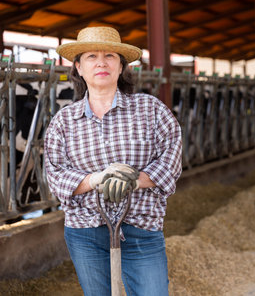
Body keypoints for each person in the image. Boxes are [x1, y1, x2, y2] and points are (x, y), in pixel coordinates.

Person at [44, 26, 182, 296]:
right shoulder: (63, 122)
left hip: (141, 227)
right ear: (79, 69)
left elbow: (171, 159)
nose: (101, 62)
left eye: (110, 56)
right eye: (91, 57)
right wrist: (97, 179)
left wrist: (133, 180)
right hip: (85, 232)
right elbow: (55, 176)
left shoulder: (151, 109)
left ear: (121, 68)